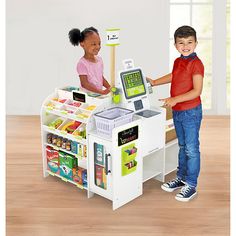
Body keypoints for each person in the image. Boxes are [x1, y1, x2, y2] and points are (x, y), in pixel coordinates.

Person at [147, 25, 204, 202]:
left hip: (191, 112)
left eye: (189, 42)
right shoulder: (179, 61)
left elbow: (197, 91)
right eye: (181, 43)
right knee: (182, 147)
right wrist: (155, 82)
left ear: (195, 43)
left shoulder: (196, 64)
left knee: (192, 149)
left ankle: (191, 184)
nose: (185, 46)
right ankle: (181, 178)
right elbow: (175, 76)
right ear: (175, 44)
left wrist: (175, 99)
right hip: (178, 111)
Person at [68, 27, 111, 95]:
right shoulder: (82, 63)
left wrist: (109, 88)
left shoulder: (99, 60)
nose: (98, 47)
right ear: (82, 44)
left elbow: (101, 77)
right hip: (86, 96)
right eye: (94, 44)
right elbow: (84, 84)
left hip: (97, 95)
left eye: (99, 43)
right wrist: (101, 92)